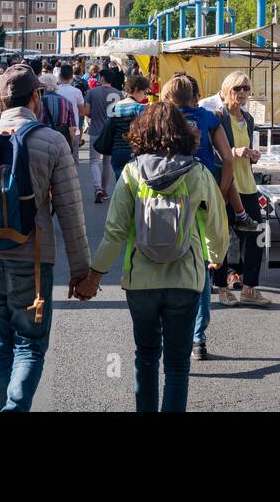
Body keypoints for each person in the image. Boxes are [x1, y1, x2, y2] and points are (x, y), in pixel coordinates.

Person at [0, 65, 91, 412]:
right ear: (36, 97)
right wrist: (81, 271)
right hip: (33, 258)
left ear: (1, 98)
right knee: (30, 345)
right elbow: (71, 211)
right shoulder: (52, 141)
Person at [74, 102, 228, 412]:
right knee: (177, 365)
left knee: (145, 357)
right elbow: (216, 222)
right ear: (183, 133)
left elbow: (115, 232)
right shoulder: (196, 172)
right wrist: (216, 255)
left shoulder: (132, 173)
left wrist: (94, 276)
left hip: (140, 280)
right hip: (186, 278)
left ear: (141, 133)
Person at [161, 73, 247, 360]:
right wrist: (221, 192)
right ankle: (198, 339)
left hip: (170, 198)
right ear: (195, 97)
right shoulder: (210, 118)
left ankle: (171, 335)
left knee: (169, 264)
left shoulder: (162, 117)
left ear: (169, 97)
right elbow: (229, 158)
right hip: (205, 195)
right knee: (201, 268)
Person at [211, 71, 271, 306]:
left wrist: (253, 155)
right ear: (226, 90)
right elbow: (212, 151)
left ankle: (249, 287)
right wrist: (233, 152)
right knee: (221, 238)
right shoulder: (217, 116)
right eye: (238, 88)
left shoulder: (248, 119)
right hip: (225, 185)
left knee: (256, 237)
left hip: (247, 185)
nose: (243, 93)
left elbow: (246, 151)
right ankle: (222, 288)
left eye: (246, 88)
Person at [82, 68, 122, 202]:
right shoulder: (119, 93)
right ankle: (104, 190)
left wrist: (94, 115)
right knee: (107, 162)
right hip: (112, 132)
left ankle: (97, 187)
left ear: (102, 78)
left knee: (94, 161)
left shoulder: (92, 92)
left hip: (96, 130)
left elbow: (86, 111)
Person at [105, 74, 149, 186]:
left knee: (120, 184)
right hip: (134, 150)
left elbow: (110, 128)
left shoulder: (114, 107)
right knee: (135, 185)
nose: (144, 96)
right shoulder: (140, 108)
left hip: (117, 151)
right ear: (137, 90)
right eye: (144, 92)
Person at [55, 64, 84, 167]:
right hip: (74, 129)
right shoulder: (77, 92)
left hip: (57, 129)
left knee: (58, 160)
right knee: (74, 159)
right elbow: (81, 112)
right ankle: (74, 181)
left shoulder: (55, 91)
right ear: (72, 77)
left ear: (60, 76)